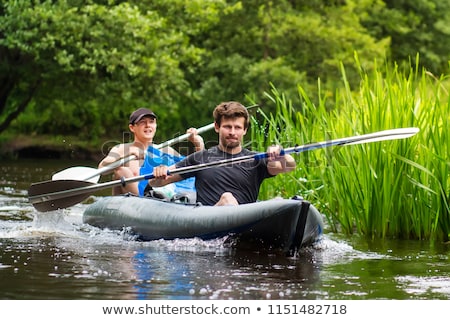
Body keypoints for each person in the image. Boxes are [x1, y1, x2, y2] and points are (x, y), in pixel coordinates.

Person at [149, 101, 296, 206]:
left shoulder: (255, 159)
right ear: (217, 127)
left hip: (247, 221)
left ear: (244, 130)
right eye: (227, 127)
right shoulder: (200, 158)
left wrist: (281, 154)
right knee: (227, 199)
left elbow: (289, 166)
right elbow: (156, 182)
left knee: (279, 201)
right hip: (209, 221)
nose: (232, 132)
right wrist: (159, 173)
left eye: (237, 127)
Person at [98, 107, 204, 196]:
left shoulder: (166, 150)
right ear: (132, 127)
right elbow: (102, 169)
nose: (148, 125)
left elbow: (192, 168)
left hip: (157, 201)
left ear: (155, 126)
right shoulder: (122, 149)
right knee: (121, 171)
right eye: (142, 122)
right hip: (133, 202)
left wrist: (198, 144)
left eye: (151, 122)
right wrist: (126, 155)